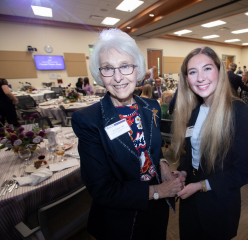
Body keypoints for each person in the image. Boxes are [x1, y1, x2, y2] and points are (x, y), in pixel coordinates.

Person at [71, 29, 184, 240]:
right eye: (107, 68)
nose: (118, 77)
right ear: (99, 73)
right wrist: (159, 190)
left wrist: (163, 166)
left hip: (157, 208)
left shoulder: (152, 107)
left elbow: (151, 148)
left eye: (125, 66)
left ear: (138, 69)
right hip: (121, 217)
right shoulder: (88, 120)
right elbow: (102, 189)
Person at [171, 46, 248, 240]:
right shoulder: (193, 110)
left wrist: (202, 185)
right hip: (190, 200)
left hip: (218, 204)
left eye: (207, 68)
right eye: (193, 72)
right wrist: (184, 171)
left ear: (220, 71)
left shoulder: (238, 113)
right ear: (186, 79)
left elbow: (245, 170)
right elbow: (191, 151)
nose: (200, 77)